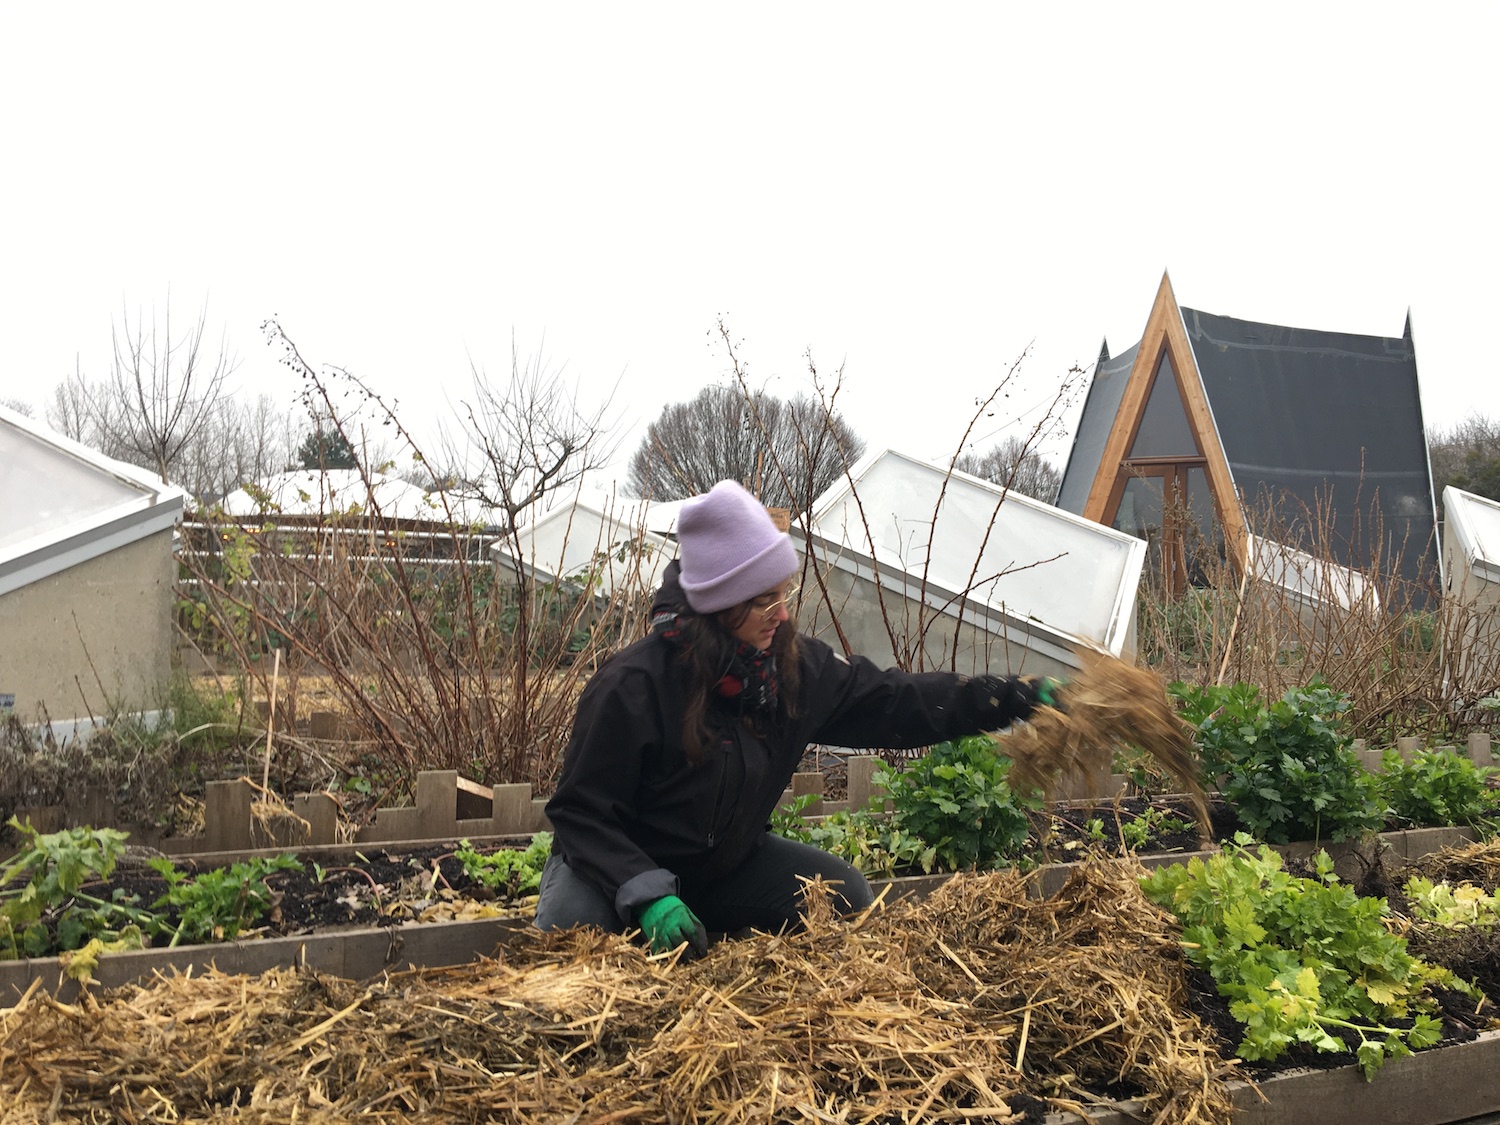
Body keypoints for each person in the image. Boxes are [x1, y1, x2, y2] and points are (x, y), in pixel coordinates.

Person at [535, 479, 1058, 956]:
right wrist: (647, 894)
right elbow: (581, 815)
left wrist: (1015, 699)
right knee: (572, 940)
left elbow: (897, 699)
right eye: (764, 601)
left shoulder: (791, 671)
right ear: (721, 605)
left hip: (719, 870)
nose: (781, 613)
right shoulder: (633, 687)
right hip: (616, 870)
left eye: (783, 594)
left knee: (842, 897)